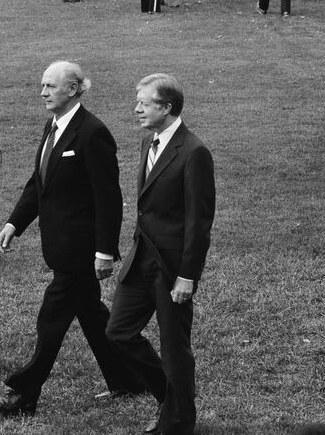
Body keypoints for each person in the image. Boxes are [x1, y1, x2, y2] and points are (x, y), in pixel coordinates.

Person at [0, 61, 141, 416]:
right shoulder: (53, 126)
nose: (42, 93)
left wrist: (104, 251)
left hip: (80, 251)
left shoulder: (92, 133)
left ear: (73, 89)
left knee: (51, 318)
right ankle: (130, 377)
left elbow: (108, 197)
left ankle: (24, 394)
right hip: (58, 246)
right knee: (91, 314)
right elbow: (38, 182)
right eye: (42, 86)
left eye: (50, 87)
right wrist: (14, 223)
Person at [106, 73, 215, 435]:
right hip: (141, 261)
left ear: (166, 107)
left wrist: (188, 275)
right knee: (118, 332)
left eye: (144, 103)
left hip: (171, 268)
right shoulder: (148, 142)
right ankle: (170, 400)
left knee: (174, 348)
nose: (136, 109)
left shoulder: (194, 152)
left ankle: (179, 423)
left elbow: (199, 222)